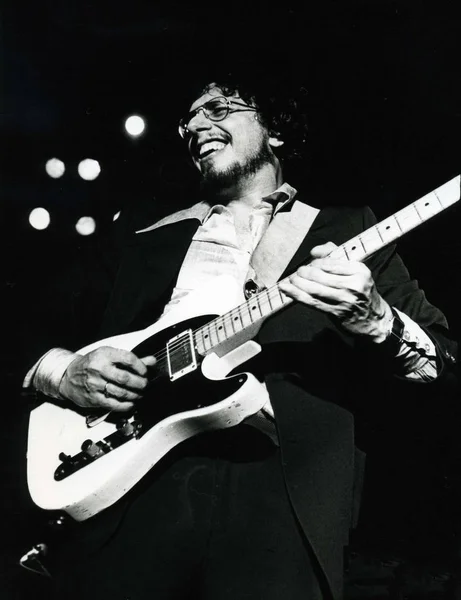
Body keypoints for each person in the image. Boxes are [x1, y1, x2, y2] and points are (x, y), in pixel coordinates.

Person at [20, 75, 458, 600]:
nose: (197, 126)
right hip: (129, 486)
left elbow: (441, 363)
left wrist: (375, 317)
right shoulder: (141, 233)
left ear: (274, 131)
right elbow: (25, 322)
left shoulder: (347, 229)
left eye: (220, 109)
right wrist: (64, 372)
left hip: (278, 497)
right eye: (189, 120)